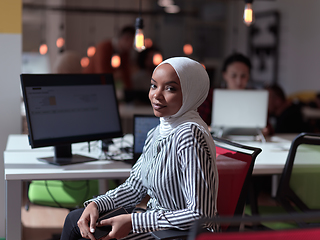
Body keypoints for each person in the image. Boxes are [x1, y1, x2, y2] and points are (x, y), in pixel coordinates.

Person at [60, 57, 219, 240]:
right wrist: (97, 203)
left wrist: (134, 222)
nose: (156, 95)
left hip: (183, 233)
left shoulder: (190, 135)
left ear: (191, 92)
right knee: (75, 219)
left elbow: (200, 215)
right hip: (158, 224)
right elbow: (134, 188)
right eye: (153, 86)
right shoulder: (157, 132)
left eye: (170, 88)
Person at [198, 53, 252, 126]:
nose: (238, 81)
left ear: (248, 76)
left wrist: (265, 130)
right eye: (233, 75)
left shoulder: (255, 97)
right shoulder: (211, 95)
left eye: (243, 76)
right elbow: (200, 123)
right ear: (225, 75)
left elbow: (268, 126)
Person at [82, 26, 135, 90]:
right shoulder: (104, 47)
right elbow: (102, 73)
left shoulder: (125, 53)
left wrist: (130, 91)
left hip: (105, 85)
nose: (133, 46)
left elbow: (126, 74)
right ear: (125, 38)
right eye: (132, 42)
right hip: (90, 84)